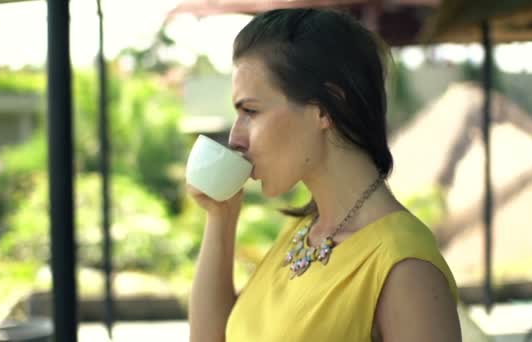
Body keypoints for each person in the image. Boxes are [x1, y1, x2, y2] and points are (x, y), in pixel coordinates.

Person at [186, 8, 461, 342]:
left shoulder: (405, 268)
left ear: (325, 108)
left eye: (251, 112)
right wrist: (221, 216)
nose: (235, 138)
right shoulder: (303, 235)